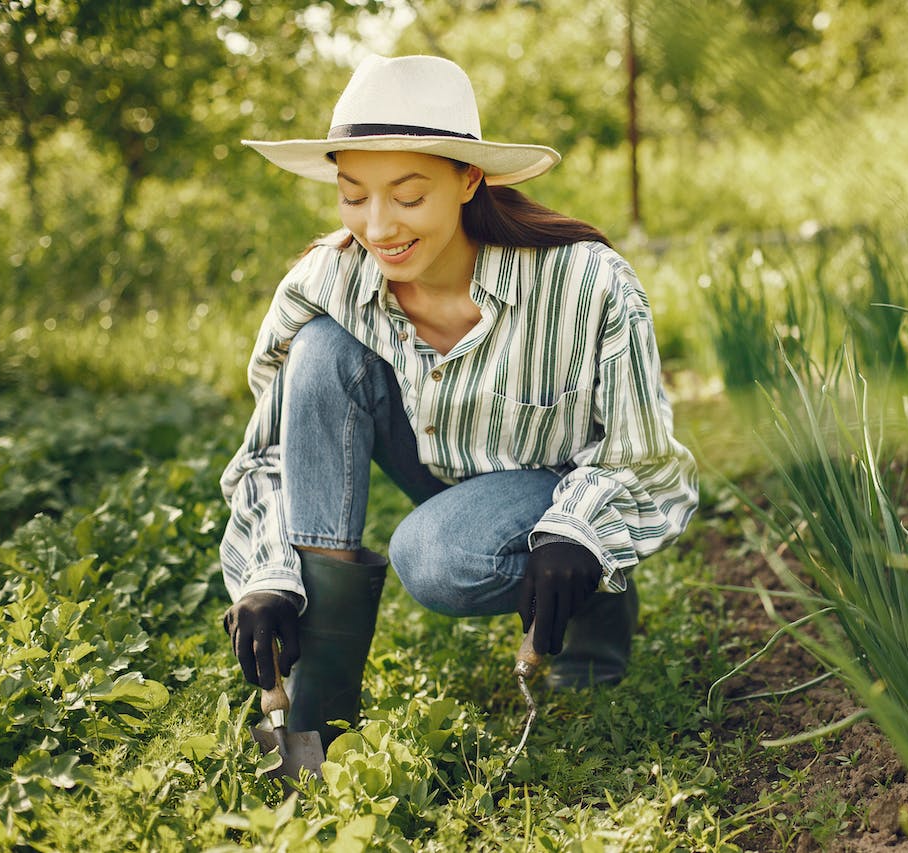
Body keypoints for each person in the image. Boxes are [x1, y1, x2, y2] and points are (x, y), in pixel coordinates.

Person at [218, 54, 698, 745]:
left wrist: (579, 536)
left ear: (468, 179)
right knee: (321, 349)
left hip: (552, 486)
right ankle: (315, 719)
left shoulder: (587, 284)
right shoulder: (324, 281)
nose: (378, 226)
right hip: (435, 462)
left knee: (434, 557)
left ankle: (588, 596)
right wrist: (266, 574)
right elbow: (270, 452)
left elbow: (649, 462)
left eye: (407, 196)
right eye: (353, 194)